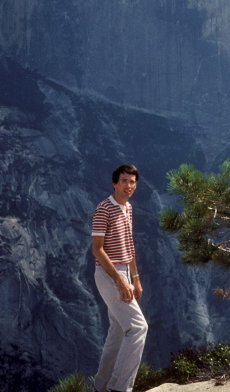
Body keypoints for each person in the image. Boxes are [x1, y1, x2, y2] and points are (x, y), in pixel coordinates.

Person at [91, 165, 148, 392]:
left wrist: (135, 277)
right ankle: (119, 388)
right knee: (138, 328)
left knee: (117, 333)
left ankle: (101, 387)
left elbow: (129, 244)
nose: (128, 186)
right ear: (114, 183)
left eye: (132, 182)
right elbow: (97, 250)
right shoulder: (104, 209)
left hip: (125, 273)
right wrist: (120, 280)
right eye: (124, 181)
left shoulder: (128, 208)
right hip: (109, 274)